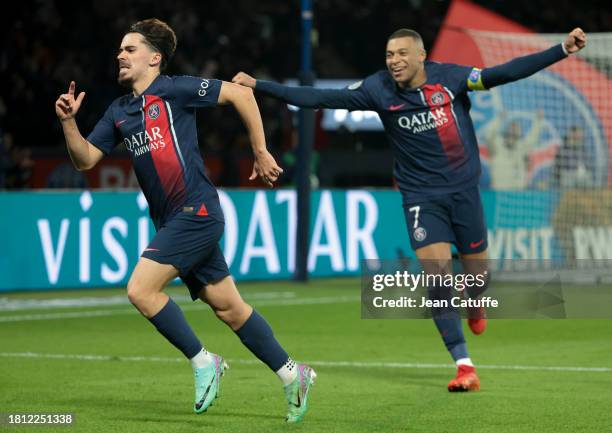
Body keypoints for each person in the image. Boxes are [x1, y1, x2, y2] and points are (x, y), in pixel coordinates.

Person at [233, 27, 587, 392]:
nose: (394, 61)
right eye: (389, 55)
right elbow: (318, 97)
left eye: (402, 54)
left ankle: (476, 303)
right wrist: (260, 86)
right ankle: (464, 365)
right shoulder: (378, 89)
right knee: (437, 278)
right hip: (421, 198)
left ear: (421, 56)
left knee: (478, 276)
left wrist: (561, 49)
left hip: (464, 193)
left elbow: (506, 72)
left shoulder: (452, 78)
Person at [55, 18, 315, 423]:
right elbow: (86, 159)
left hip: (197, 211)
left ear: (154, 58)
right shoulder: (120, 111)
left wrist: (261, 151)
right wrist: (69, 122)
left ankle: (202, 361)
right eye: (120, 49)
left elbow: (242, 96)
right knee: (229, 308)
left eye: (130, 49)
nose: (120, 55)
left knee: (141, 290)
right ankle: (292, 373)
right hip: (175, 221)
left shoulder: (174, 89)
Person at [484, 110, 544, 190]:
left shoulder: (521, 147)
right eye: (512, 127)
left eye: (517, 129)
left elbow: (532, 138)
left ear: (520, 133)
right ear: (507, 130)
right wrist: (499, 119)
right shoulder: (496, 144)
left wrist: (538, 121)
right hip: (498, 191)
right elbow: (488, 133)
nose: (514, 130)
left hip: (517, 193)